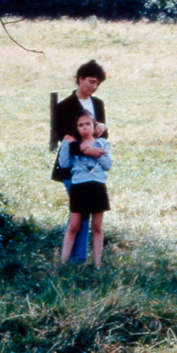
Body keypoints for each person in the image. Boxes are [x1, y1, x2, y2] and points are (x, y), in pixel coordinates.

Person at [51, 60, 108, 263]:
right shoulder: (64, 106)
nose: (93, 87)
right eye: (91, 82)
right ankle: (76, 260)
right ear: (80, 79)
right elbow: (64, 137)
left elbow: (103, 136)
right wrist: (87, 150)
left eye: (97, 84)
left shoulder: (98, 104)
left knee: (88, 213)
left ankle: (79, 259)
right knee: (80, 214)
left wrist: (101, 128)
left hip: (94, 169)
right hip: (70, 166)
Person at [59, 111, 111, 268]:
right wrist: (65, 145)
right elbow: (64, 164)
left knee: (96, 226)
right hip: (79, 186)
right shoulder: (74, 145)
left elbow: (108, 165)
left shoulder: (102, 143)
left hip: (97, 186)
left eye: (87, 124)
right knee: (74, 225)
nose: (84, 128)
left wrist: (95, 153)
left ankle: (97, 264)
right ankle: (63, 263)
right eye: (80, 125)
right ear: (76, 128)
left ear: (94, 125)